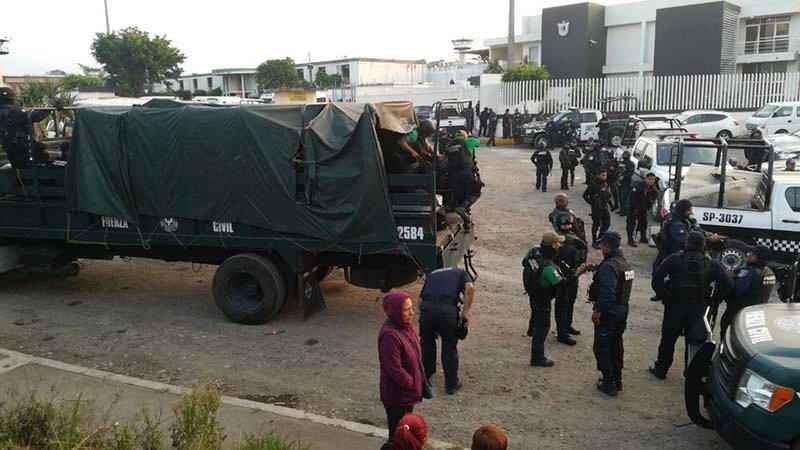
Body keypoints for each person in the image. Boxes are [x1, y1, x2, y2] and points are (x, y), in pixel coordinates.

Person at [649, 232, 733, 379]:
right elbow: (727, 283)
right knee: (695, 341)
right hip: (699, 308)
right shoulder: (711, 263)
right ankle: (691, 373)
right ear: (703, 245)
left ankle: (661, 369)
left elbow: (657, 277)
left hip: (675, 305)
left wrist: (664, 295)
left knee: (668, 339)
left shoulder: (674, 259)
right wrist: (714, 300)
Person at [588, 232, 633, 397]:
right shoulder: (624, 263)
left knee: (602, 347)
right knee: (616, 344)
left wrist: (598, 311)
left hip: (609, 312)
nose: (600, 248)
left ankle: (609, 382)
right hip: (622, 310)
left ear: (607, 246)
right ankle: (617, 379)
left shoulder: (609, 266)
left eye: (602, 245)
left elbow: (607, 293)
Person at [378, 292, 425, 450]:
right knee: (398, 435)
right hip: (397, 395)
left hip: (406, 394)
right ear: (395, 311)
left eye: (411, 308)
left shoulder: (405, 327)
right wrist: (410, 383)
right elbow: (394, 368)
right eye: (406, 310)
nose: (412, 313)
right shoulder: (390, 336)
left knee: (405, 431)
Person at [419, 267, 475, 395]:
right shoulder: (462, 272)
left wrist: (427, 317)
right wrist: (465, 314)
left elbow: (420, 300)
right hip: (447, 311)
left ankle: (425, 380)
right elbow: (470, 288)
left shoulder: (432, 273)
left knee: (427, 344)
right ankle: (451, 384)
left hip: (426, 309)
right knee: (449, 347)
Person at [524, 232, 564, 367]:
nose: (559, 245)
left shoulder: (533, 252)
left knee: (535, 314)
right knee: (543, 327)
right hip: (543, 298)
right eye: (557, 243)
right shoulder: (547, 267)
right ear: (552, 245)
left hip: (532, 291)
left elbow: (524, 262)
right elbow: (560, 284)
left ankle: (531, 329)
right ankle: (537, 358)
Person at [720, 245, 777, 337]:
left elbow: (736, 290)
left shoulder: (749, 272)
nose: (748, 255)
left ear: (759, 257)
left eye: (752, 254)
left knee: (728, 334)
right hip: (757, 313)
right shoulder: (769, 272)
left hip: (738, 312)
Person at [554, 214, 589, 345]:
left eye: (569, 224)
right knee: (562, 304)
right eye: (565, 224)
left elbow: (583, 250)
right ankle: (562, 333)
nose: (567, 226)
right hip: (562, 276)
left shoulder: (574, 237)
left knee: (570, 302)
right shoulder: (557, 239)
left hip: (574, 274)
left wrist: (580, 264)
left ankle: (567, 326)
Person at [625, 172, 658, 247]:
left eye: (653, 180)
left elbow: (653, 197)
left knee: (643, 223)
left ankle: (643, 237)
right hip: (633, 208)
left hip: (643, 208)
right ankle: (630, 239)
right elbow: (632, 198)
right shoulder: (638, 186)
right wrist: (634, 208)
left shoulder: (653, 188)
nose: (651, 181)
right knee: (631, 224)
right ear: (645, 179)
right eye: (649, 179)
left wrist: (648, 206)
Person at [583, 169, 613, 248]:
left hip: (604, 207)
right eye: (603, 175)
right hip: (596, 208)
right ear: (598, 175)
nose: (605, 177)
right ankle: (594, 241)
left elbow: (607, 195)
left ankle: (600, 238)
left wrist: (611, 205)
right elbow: (585, 195)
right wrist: (592, 202)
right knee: (596, 225)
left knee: (607, 223)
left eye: (605, 175)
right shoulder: (593, 184)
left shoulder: (605, 184)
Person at [617, 151, 636, 216]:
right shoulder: (621, 163)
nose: (624, 156)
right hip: (619, 182)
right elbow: (618, 170)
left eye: (626, 155)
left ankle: (625, 211)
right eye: (624, 154)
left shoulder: (631, 164)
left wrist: (624, 176)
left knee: (624, 197)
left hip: (626, 182)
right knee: (620, 197)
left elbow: (631, 172)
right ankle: (621, 210)